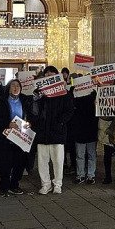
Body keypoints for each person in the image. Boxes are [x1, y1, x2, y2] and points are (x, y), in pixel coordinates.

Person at [31, 65, 74, 194]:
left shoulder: (64, 93)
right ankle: (45, 184)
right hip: (42, 131)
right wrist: (36, 99)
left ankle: (57, 184)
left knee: (58, 160)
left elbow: (69, 110)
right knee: (42, 160)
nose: (49, 76)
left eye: (51, 75)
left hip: (57, 131)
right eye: (46, 75)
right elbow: (34, 111)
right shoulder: (39, 93)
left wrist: (60, 122)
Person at [0, 79, 32, 196]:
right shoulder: (2, 102)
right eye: (13, 86)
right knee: (6, 163)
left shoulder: (25, 101)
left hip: (21, 136)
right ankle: (3, 187)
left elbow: (31, 115)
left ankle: (14, 185)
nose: (15, 88)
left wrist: (29, 122)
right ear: (9, 88)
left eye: (17, 86)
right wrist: (7, 123)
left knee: (19, 163)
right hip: (6, 136)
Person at [72, 79, 98, 185]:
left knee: (84, 154)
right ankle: (85, 175)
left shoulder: (94, 93)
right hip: (84, 128)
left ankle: (85, 175)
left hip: (86, 128)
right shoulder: (75, 94)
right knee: (84, 154)